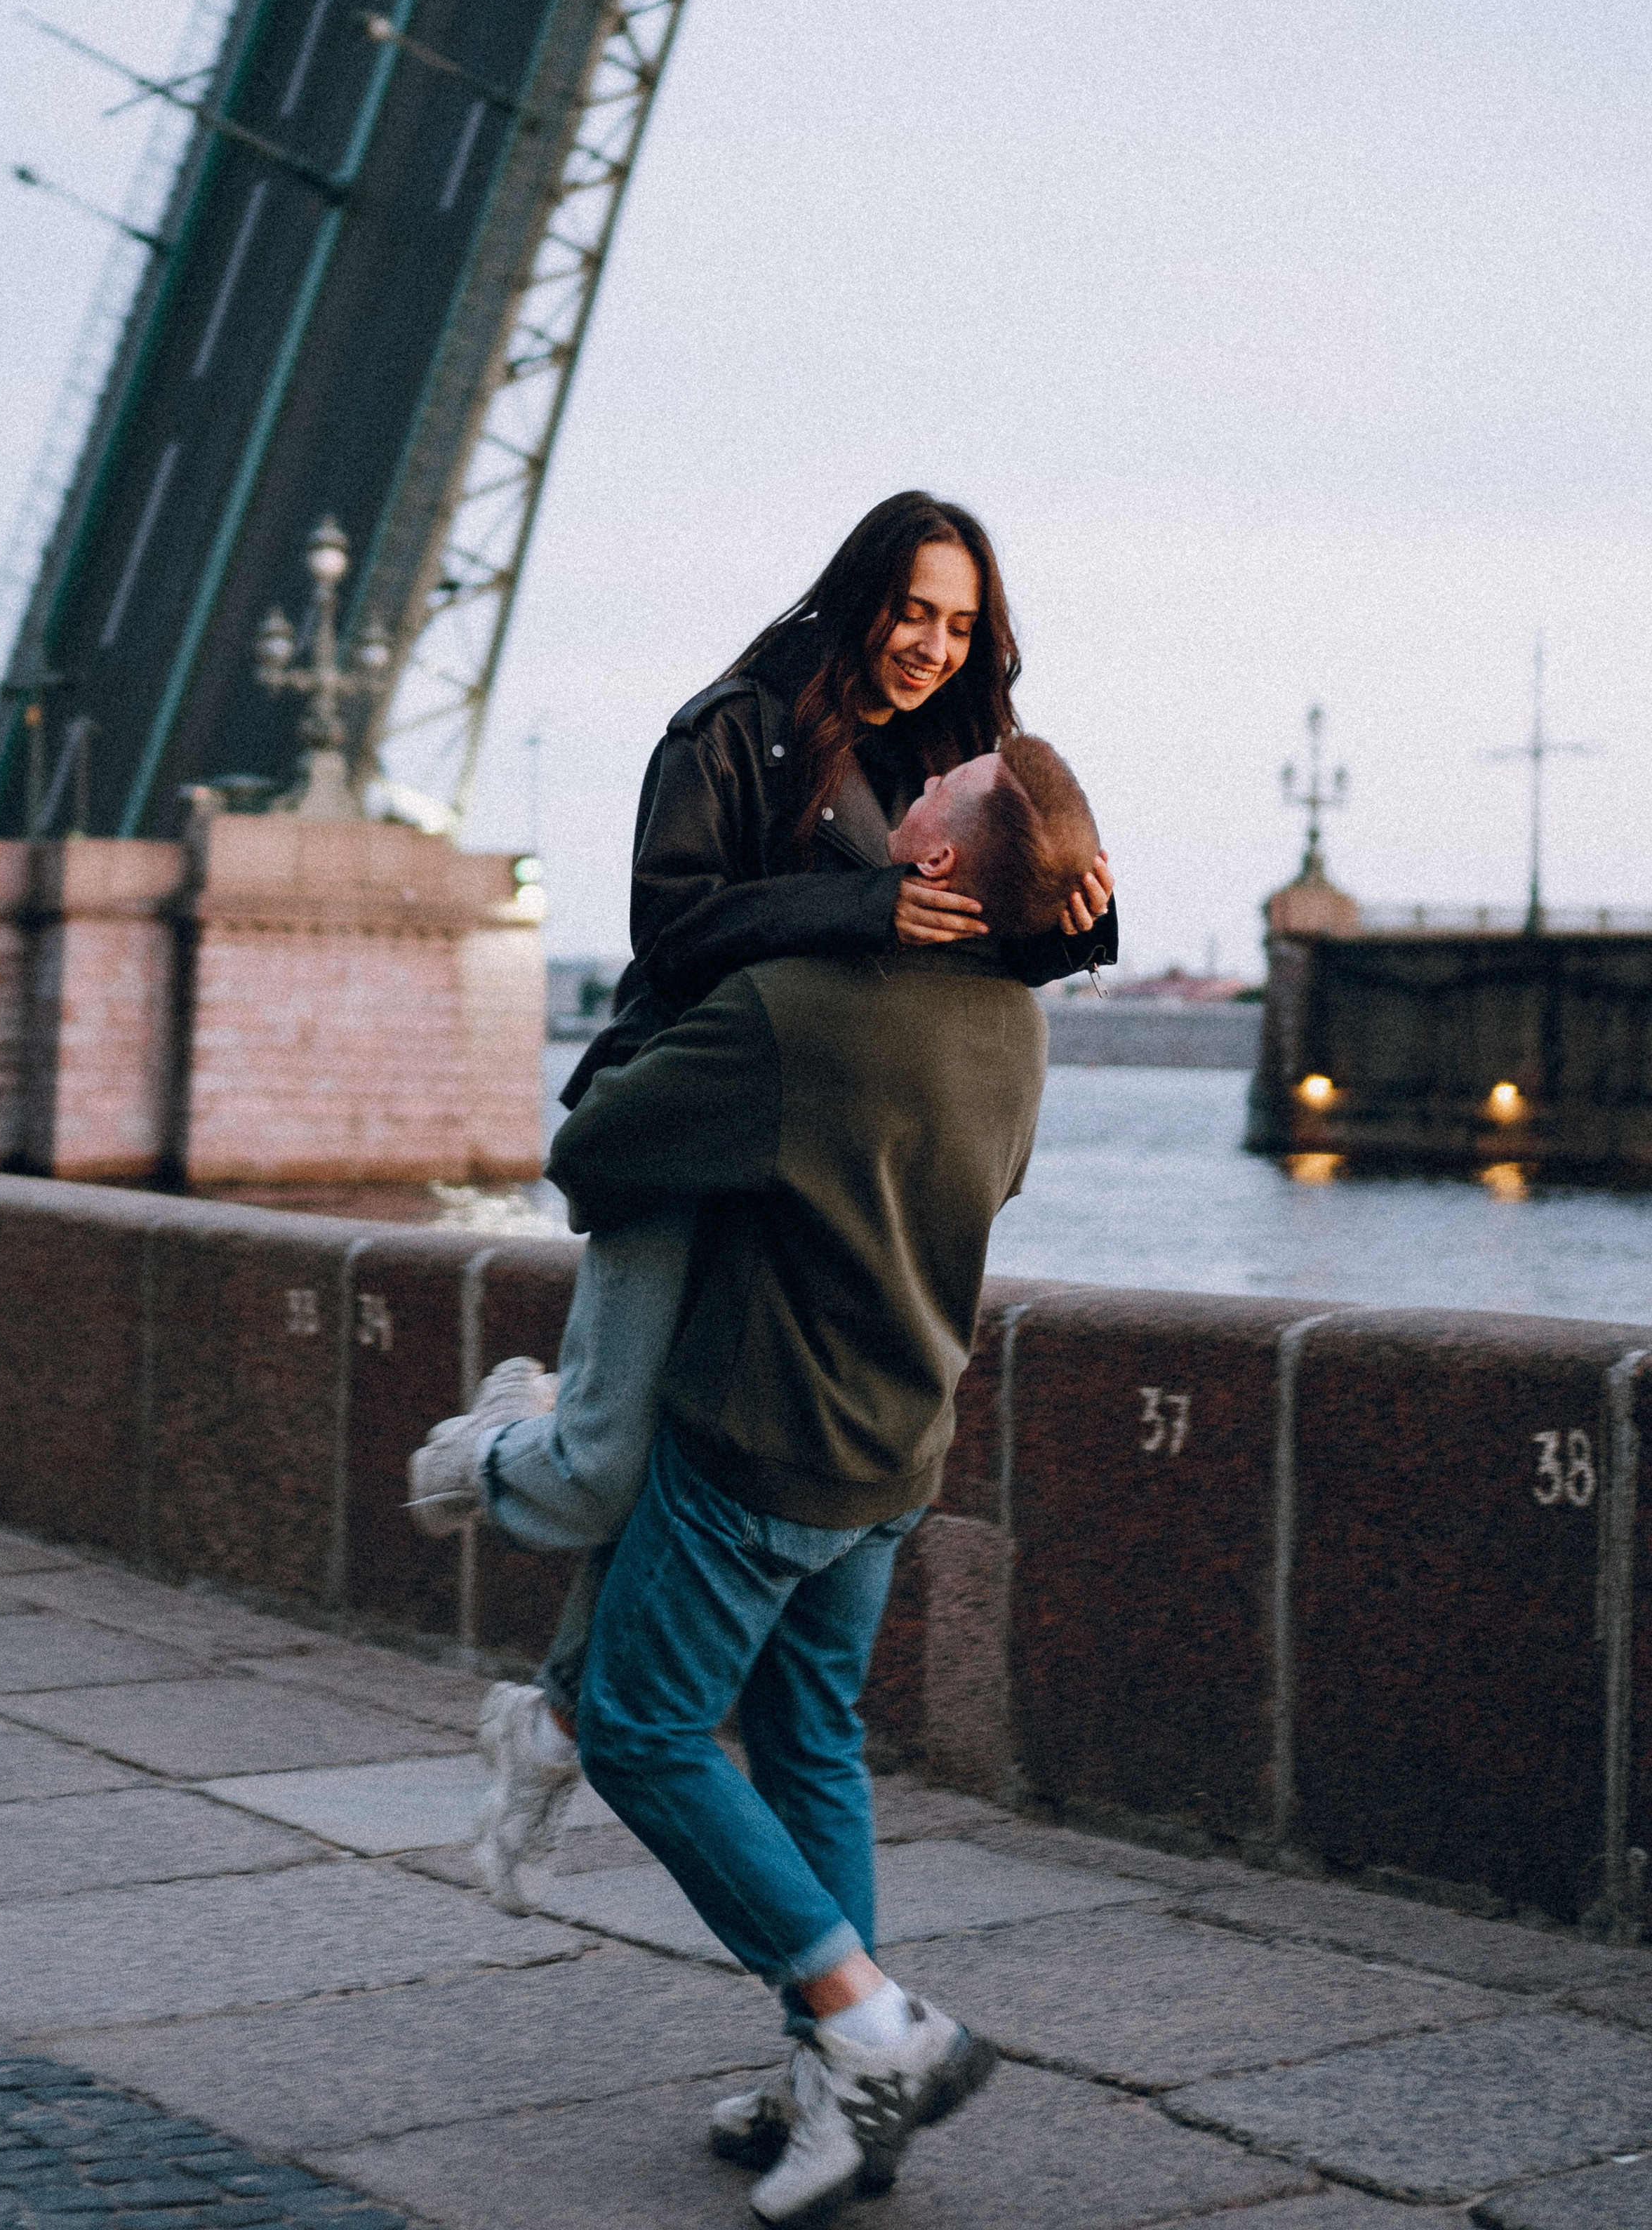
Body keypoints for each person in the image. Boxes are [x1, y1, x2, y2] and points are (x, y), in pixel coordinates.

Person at [408, 493, 1114, 1894]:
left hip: (811, 1159)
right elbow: (670, 929)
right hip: (689, 1106)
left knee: (695, 1463)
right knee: (607, 1461)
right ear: (858, 593)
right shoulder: (726, 726)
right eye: (912, 610)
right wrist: (852, 910)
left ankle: (551, 1721)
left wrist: (1084, 915)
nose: (929, 644)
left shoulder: (949, 750)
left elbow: (970, 956)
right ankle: (486, 1453)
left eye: (959, 623)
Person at [547, 739, 1098, 2223]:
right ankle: (835, 2092)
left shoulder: (797, 1013)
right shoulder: (1013, 1025)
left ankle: (862, 2017)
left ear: (931, 863)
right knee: (806, 1742)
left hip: (760, 1442)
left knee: (639, 1732)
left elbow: (591, 1152)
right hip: (901, 1439)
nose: (904, 789)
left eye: (933, 790)